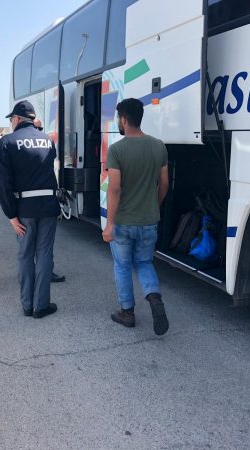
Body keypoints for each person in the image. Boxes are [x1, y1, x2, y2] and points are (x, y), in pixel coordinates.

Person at [101, 98, 170, 336]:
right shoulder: (158, 146)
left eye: (118, 118)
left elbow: (114, 188)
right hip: (148, 221)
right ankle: (154, 299)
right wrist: (153, 206)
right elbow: (164, 184)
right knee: (144, 263)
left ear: (124, 119)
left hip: (123, 222)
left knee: (122, 266)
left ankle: (127, 313)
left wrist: (109, 224)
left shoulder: (117, 149)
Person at [0, 101, 60, 318]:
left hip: (24, 209)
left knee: (25, 255)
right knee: (44, 254)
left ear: (16, 119)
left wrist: (11, 215)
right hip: (49, 206)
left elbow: (2, 183)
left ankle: (27, 305)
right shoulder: (48, 140)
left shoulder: (7, 142)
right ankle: (41, 306)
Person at [32, 117, 66, 284]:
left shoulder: (47, 144)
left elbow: (51, 173)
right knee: (31, 244)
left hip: (45, 203)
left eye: (40, 128)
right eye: (35, 128)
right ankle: (36, 273)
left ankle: (46, 271)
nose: (38, 132)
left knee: (45, 244)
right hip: (29, 204)